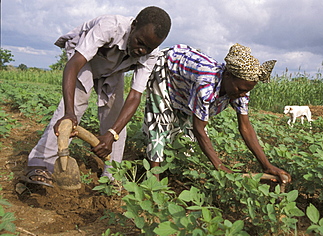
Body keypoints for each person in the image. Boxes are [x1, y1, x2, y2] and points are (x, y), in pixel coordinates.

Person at [21, 6, 171, 187]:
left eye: (148, 48)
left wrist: (111, 133)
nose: (141, 51)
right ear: (134, 25)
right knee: (77, 103)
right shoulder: (110, 26)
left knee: (116, 117)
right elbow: (73, 64)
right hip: (84, 59)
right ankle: (40, 163)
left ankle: (112, 176)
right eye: (139, 42)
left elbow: (134, 96)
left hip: (113, 69)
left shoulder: (151, 54)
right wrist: (69, 113)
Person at [143, 43, 291, 183]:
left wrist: (266, 165)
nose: (242, 94)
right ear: (227, 75)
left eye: (247, 91)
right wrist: (220, 166)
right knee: (160, 124)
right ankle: (153, 181)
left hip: (185, 83)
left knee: (187, 136)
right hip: (167, 69)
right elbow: (199, 129)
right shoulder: (206, 84)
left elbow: (245, 127)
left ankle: (177, 170)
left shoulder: (240, 90)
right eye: (240, 89)